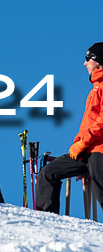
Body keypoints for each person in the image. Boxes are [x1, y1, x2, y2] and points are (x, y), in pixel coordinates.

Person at [36, 42, 103, 214]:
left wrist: (83, 142)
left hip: (99, 150)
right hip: (87, 150)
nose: (84, 63)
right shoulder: (95, 88)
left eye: (87, 59)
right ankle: (46, 221)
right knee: (48, 173)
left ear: (97, 61)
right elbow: (90, 122)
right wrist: (79, 144)